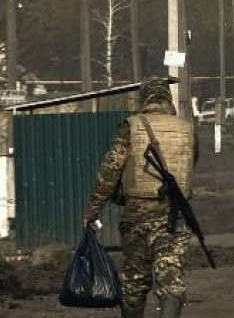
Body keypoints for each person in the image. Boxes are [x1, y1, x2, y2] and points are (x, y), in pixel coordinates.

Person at [83, 78, 196, 318]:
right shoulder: (187, 129)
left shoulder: (131, 126)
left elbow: (110, 171)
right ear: (167, 98)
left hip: (137, 216)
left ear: (145, 98)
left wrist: (93, 209)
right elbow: (189, 165)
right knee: (171, 275)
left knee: (135, 280)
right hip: (174, 215)